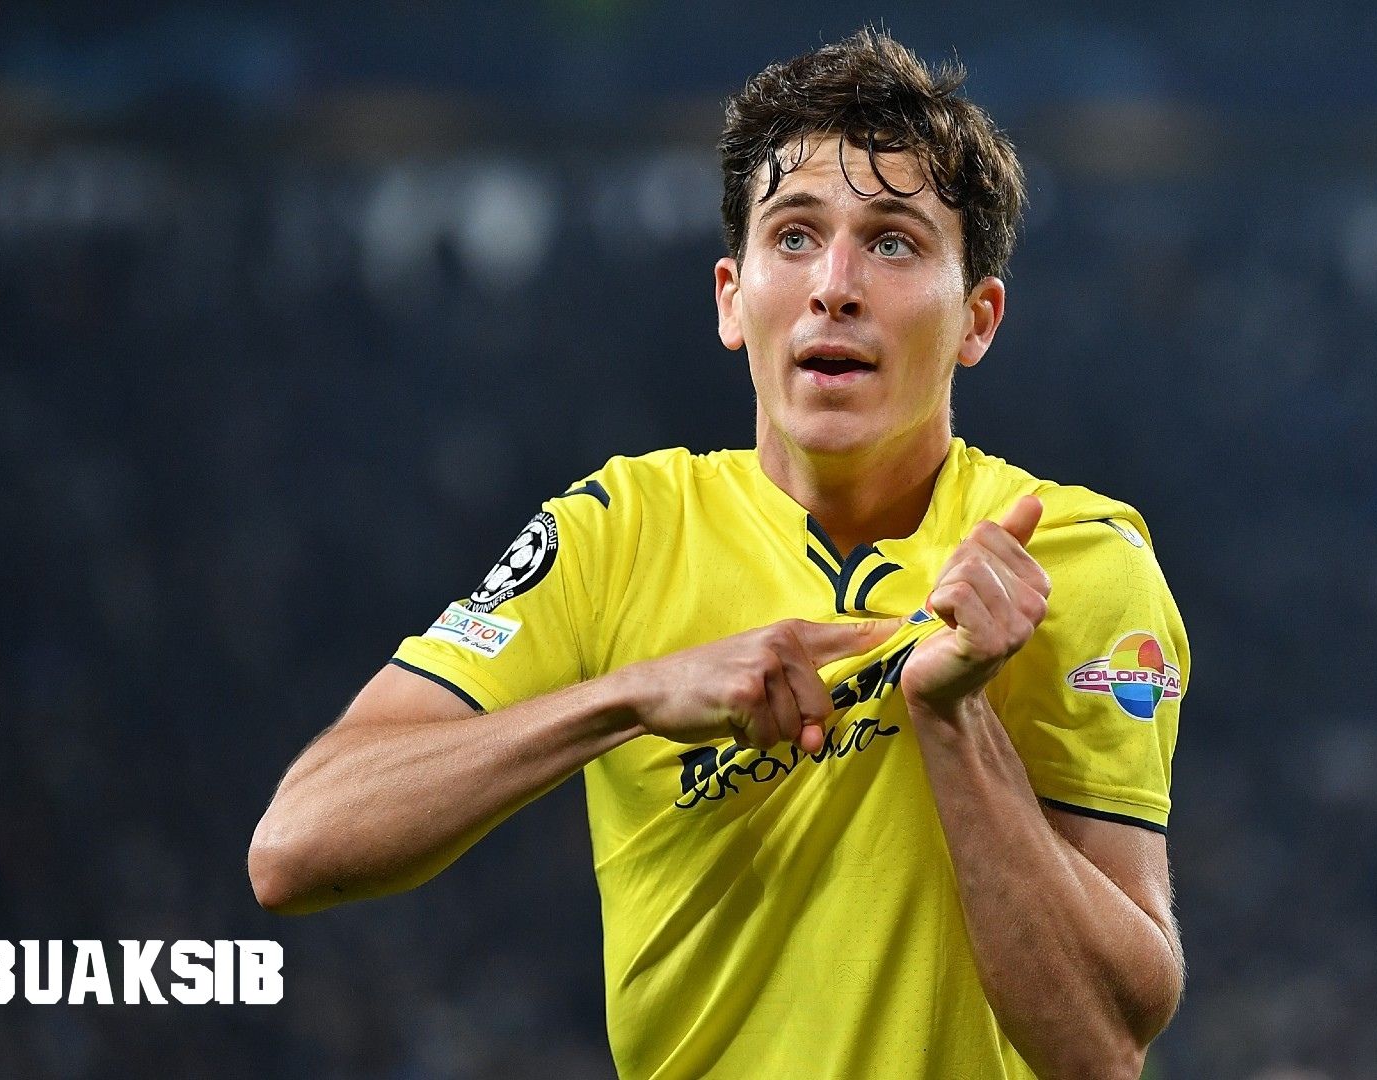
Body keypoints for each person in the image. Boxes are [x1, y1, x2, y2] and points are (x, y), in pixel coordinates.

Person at [250, 27, 1188, 1080]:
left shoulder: (1071, 560)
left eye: (893, 244)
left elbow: (1102, 1049)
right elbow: (297, 846)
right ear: (732, 300)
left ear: (978, 319)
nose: (835, 285)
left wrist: (955, 720)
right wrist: (630, 696)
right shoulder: (617, 532)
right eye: (795, 236)